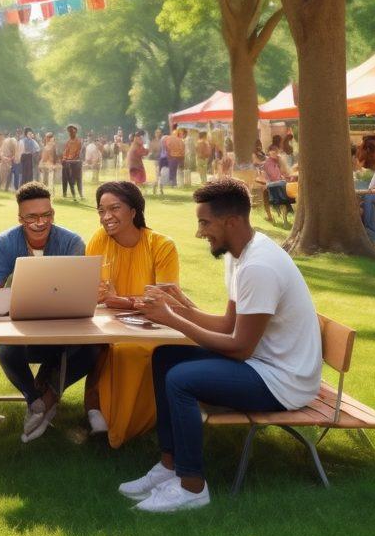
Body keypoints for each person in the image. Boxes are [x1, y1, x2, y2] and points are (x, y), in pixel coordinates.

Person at [122, 178, 322, 513]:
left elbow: (240, 347)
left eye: (204, 222)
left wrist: (172, 318)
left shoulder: (258, 266)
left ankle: (192, 487)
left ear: (231, 222)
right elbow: (230, 325)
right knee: (165, 357)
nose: (200, 232)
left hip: (283, 382)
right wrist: (183, 307)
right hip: (261, 364)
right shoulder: (238, 254)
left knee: (180, 379)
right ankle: (170, 466)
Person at [0, 181, 99, 442]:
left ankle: (49, 397)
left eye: (47, 215)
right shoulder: (4, 243)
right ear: (20, 218)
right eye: (32, 217)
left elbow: (78, 293)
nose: (40, 222)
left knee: (94, 347)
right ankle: (35, 399)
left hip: (63, 330)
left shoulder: (72, 242)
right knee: (5, 348)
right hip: (22, 330)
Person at [84, 181, 179, 444]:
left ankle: (124, 425)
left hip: (154, 324)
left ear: (134, 211)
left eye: (115, 208)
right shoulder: (99, 239)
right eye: (101, 210)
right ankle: (96, 408)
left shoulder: (161, 245)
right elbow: (92, 291)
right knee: (95, 345)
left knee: (129, 351)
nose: (106, 217)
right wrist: (108, 299)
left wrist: (119, 300)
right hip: (108, 321)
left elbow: (164, 300)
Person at [61, 124, 84, 200]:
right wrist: (65, 158)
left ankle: (80, 194)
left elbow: (78, 153)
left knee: (78, 180)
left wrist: (70, 159)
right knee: (65, 177)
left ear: (75, 132)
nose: (70, 133)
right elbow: (65, 152)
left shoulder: (78, 142)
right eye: (69, 132)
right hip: (68, 162)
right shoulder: (68, 142)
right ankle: (65, 194)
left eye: (72, 132)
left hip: (75, 163)